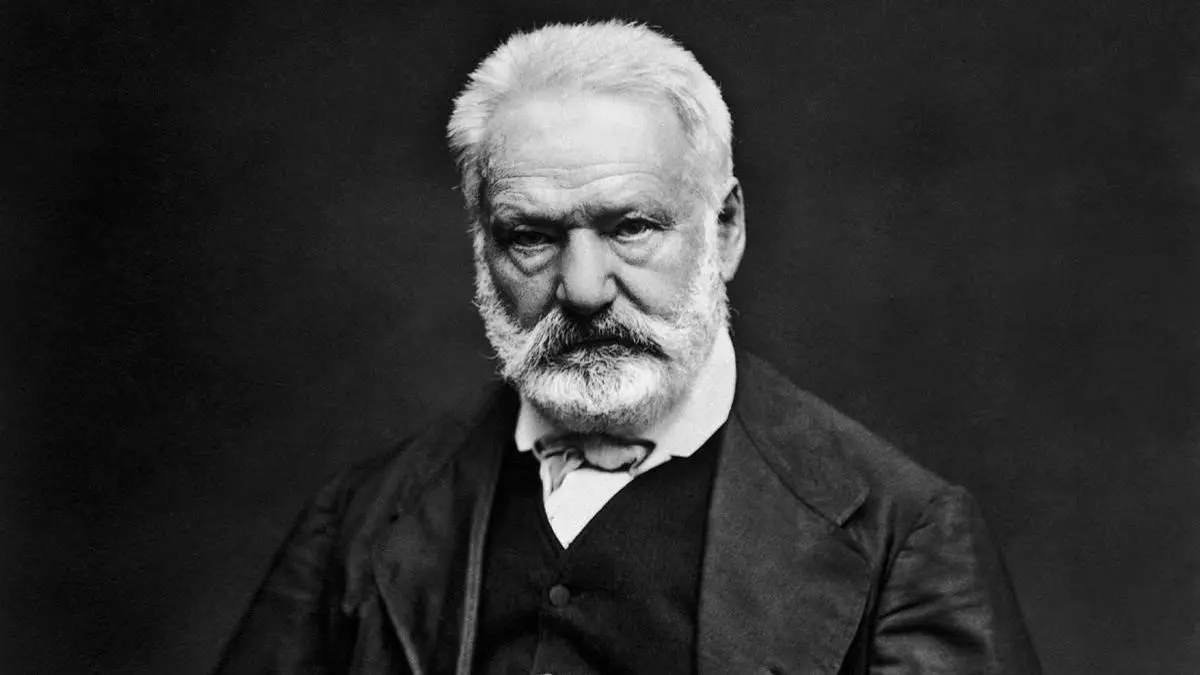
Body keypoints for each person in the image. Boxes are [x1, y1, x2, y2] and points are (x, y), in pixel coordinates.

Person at [215, 20, 1041, 675]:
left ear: (724, 229)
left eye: (631, 226)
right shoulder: (359, 520)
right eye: (531, 236)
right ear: (482, 249)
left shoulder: (906, 539)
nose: (583, 288)